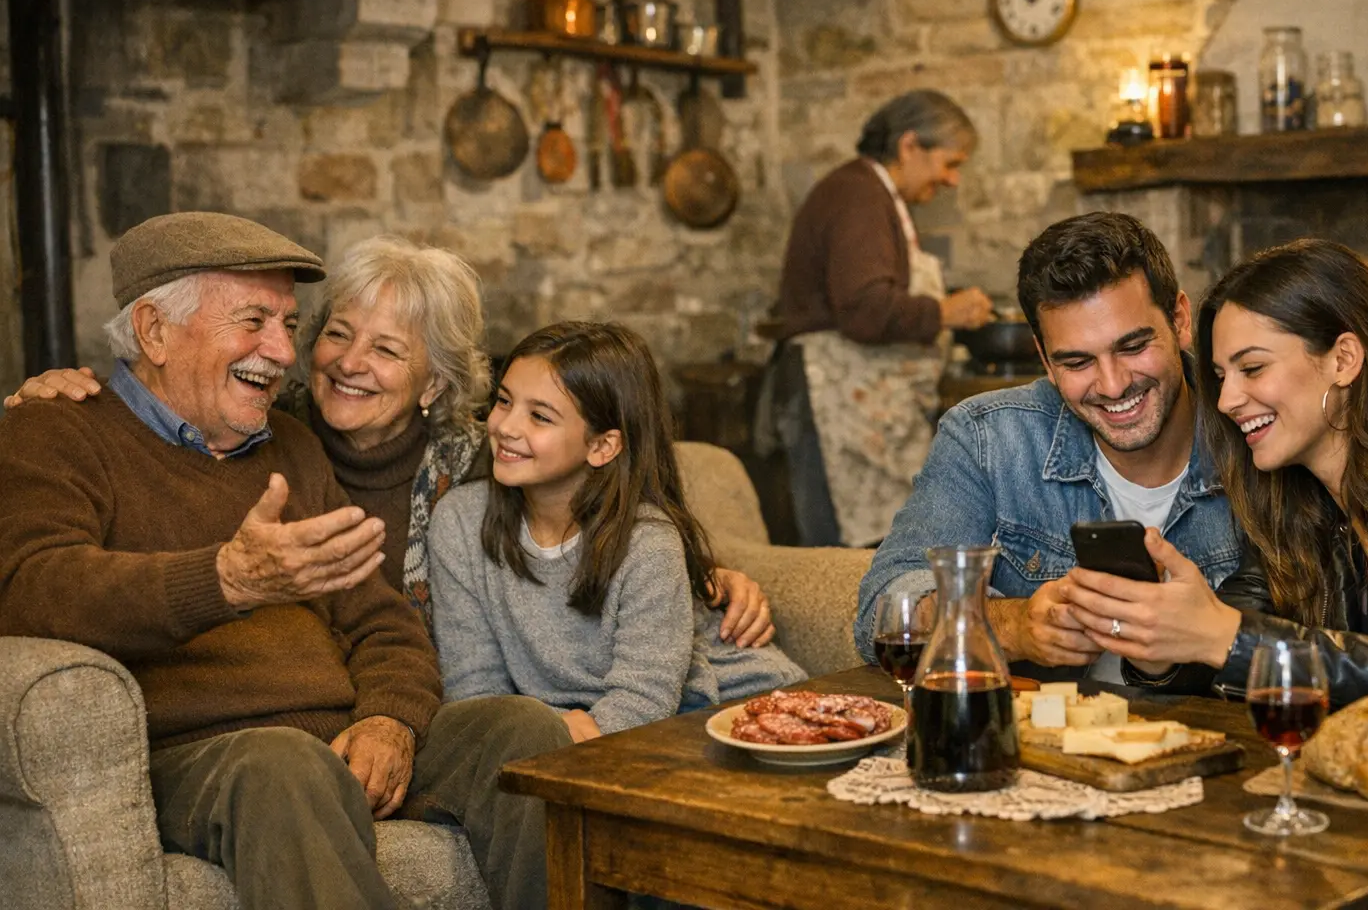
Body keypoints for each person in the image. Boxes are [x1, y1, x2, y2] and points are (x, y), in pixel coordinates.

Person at [0, 212, 569, 909]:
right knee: (284, 764)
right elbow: (30, 588)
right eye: (253, 321)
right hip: (202, 753)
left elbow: (381, 622)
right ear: (153, 330)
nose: (285, 352)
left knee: (523, 731)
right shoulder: (58, 431)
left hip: (331, 743)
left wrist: (390, 719)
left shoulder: (293, 444)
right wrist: (224, 579)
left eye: (289, 325)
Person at [5, 237, 777, 648]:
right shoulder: (269, 424)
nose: (347, 362)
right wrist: (53, 395)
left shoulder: (485, 457)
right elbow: (158, 411)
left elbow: (604, 512)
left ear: (435, 384)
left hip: (440, 690)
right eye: (335, 333)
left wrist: (711, 574)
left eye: (386, 351)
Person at [1059, 239, 1368, 716]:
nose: (1226, 401)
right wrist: (1161, 641)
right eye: (1222, 376)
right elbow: (1230, 639)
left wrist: (1226, 636)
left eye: (1252, 368)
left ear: (1343, 359)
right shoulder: (1289, 494)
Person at [854, 212, 1242, 682]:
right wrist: (1014, 626)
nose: (1113, 384)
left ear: (1180, 319)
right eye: (1077, 361)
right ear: (1044, 359)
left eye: (1133, 346)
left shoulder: (1253, 431)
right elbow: (886, 604)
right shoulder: (987, 437)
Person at [429, 321, 807, 742]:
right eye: (504, 401)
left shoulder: (646, 541)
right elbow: (475, 694)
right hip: (597, 724)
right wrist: (535, 733)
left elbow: (643, 700)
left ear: (603, 446)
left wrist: (557, 735)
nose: (505, 427)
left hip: (729, 709)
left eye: (539, 416)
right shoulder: (460, 521)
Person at [768, 89, 994, 547]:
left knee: (880, 551)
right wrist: (945, 312)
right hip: (828, 402)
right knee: (841, 564)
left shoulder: (872, 194)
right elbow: (864, 308)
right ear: (909, 146)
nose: (952, 180)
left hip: (856, 407)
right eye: (950, 163)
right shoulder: (858, 197)